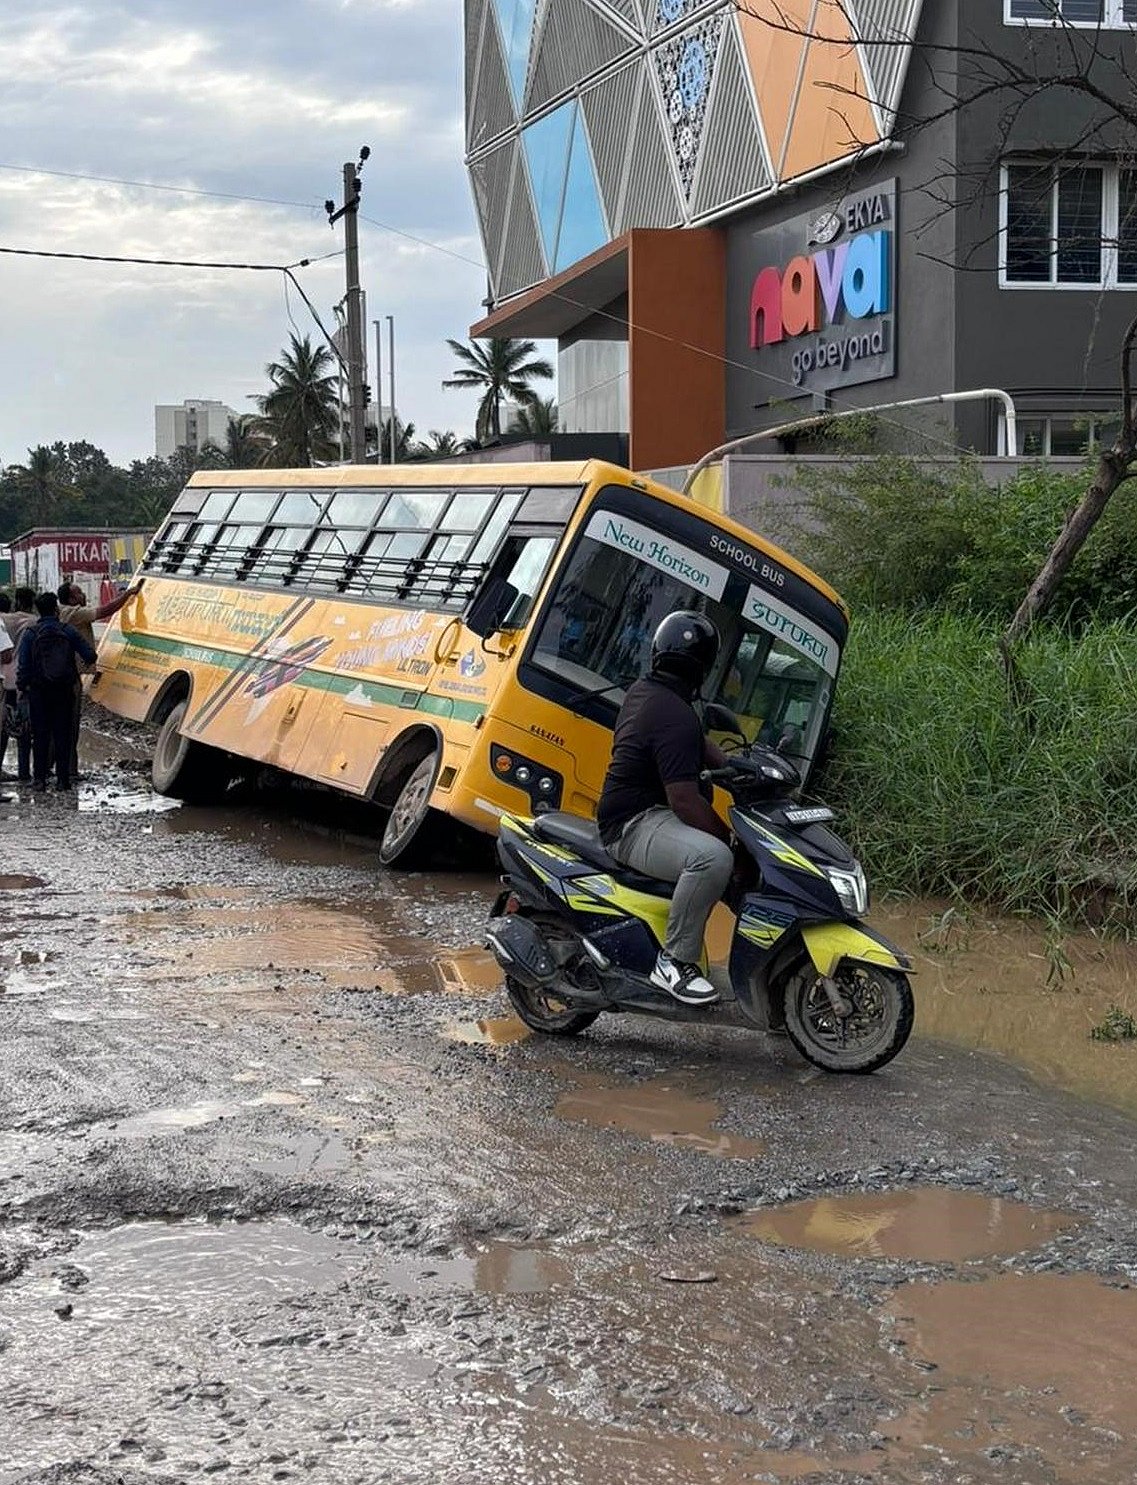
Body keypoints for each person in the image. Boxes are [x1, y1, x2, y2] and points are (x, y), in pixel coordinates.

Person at [596, 610, 735, 1006]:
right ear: (705, 668)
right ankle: (674, 962)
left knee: (714, 850)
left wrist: (742, 767)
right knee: (712, 858)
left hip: (639, 815)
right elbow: (684, 801)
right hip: (632, 825)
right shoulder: (674, 714)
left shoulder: (647, 693)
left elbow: (698, 744)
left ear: (658, 652)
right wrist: (727, 840)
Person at [57, 578, 143, 779]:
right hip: (70, 677)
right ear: (71, 599)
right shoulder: (74, 613)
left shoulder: (61, 613)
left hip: (57, 676)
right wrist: (128, 594)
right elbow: (104, 611)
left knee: (58, 724)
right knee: (71, 724)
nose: (83, 595)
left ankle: (52, 769)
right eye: (78, 593)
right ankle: (69, 771)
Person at [16, 593, 97, 794]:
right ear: (56, 609)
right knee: (62, 734)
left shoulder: (31, 633)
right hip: (63, 690)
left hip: (38, 691)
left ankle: (40, 781)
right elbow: (90, 654)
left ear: (38, 611)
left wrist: (22, 687)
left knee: (41, 735)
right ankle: (62, 781)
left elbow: (23, 665)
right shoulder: (67, 630)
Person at [0, 587, 36, 784]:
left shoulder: (5, 620)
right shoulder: (32, 622)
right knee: (24, 727)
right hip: (23, 681)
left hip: (3, 680)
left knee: (3, 727)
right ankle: (24, 772)